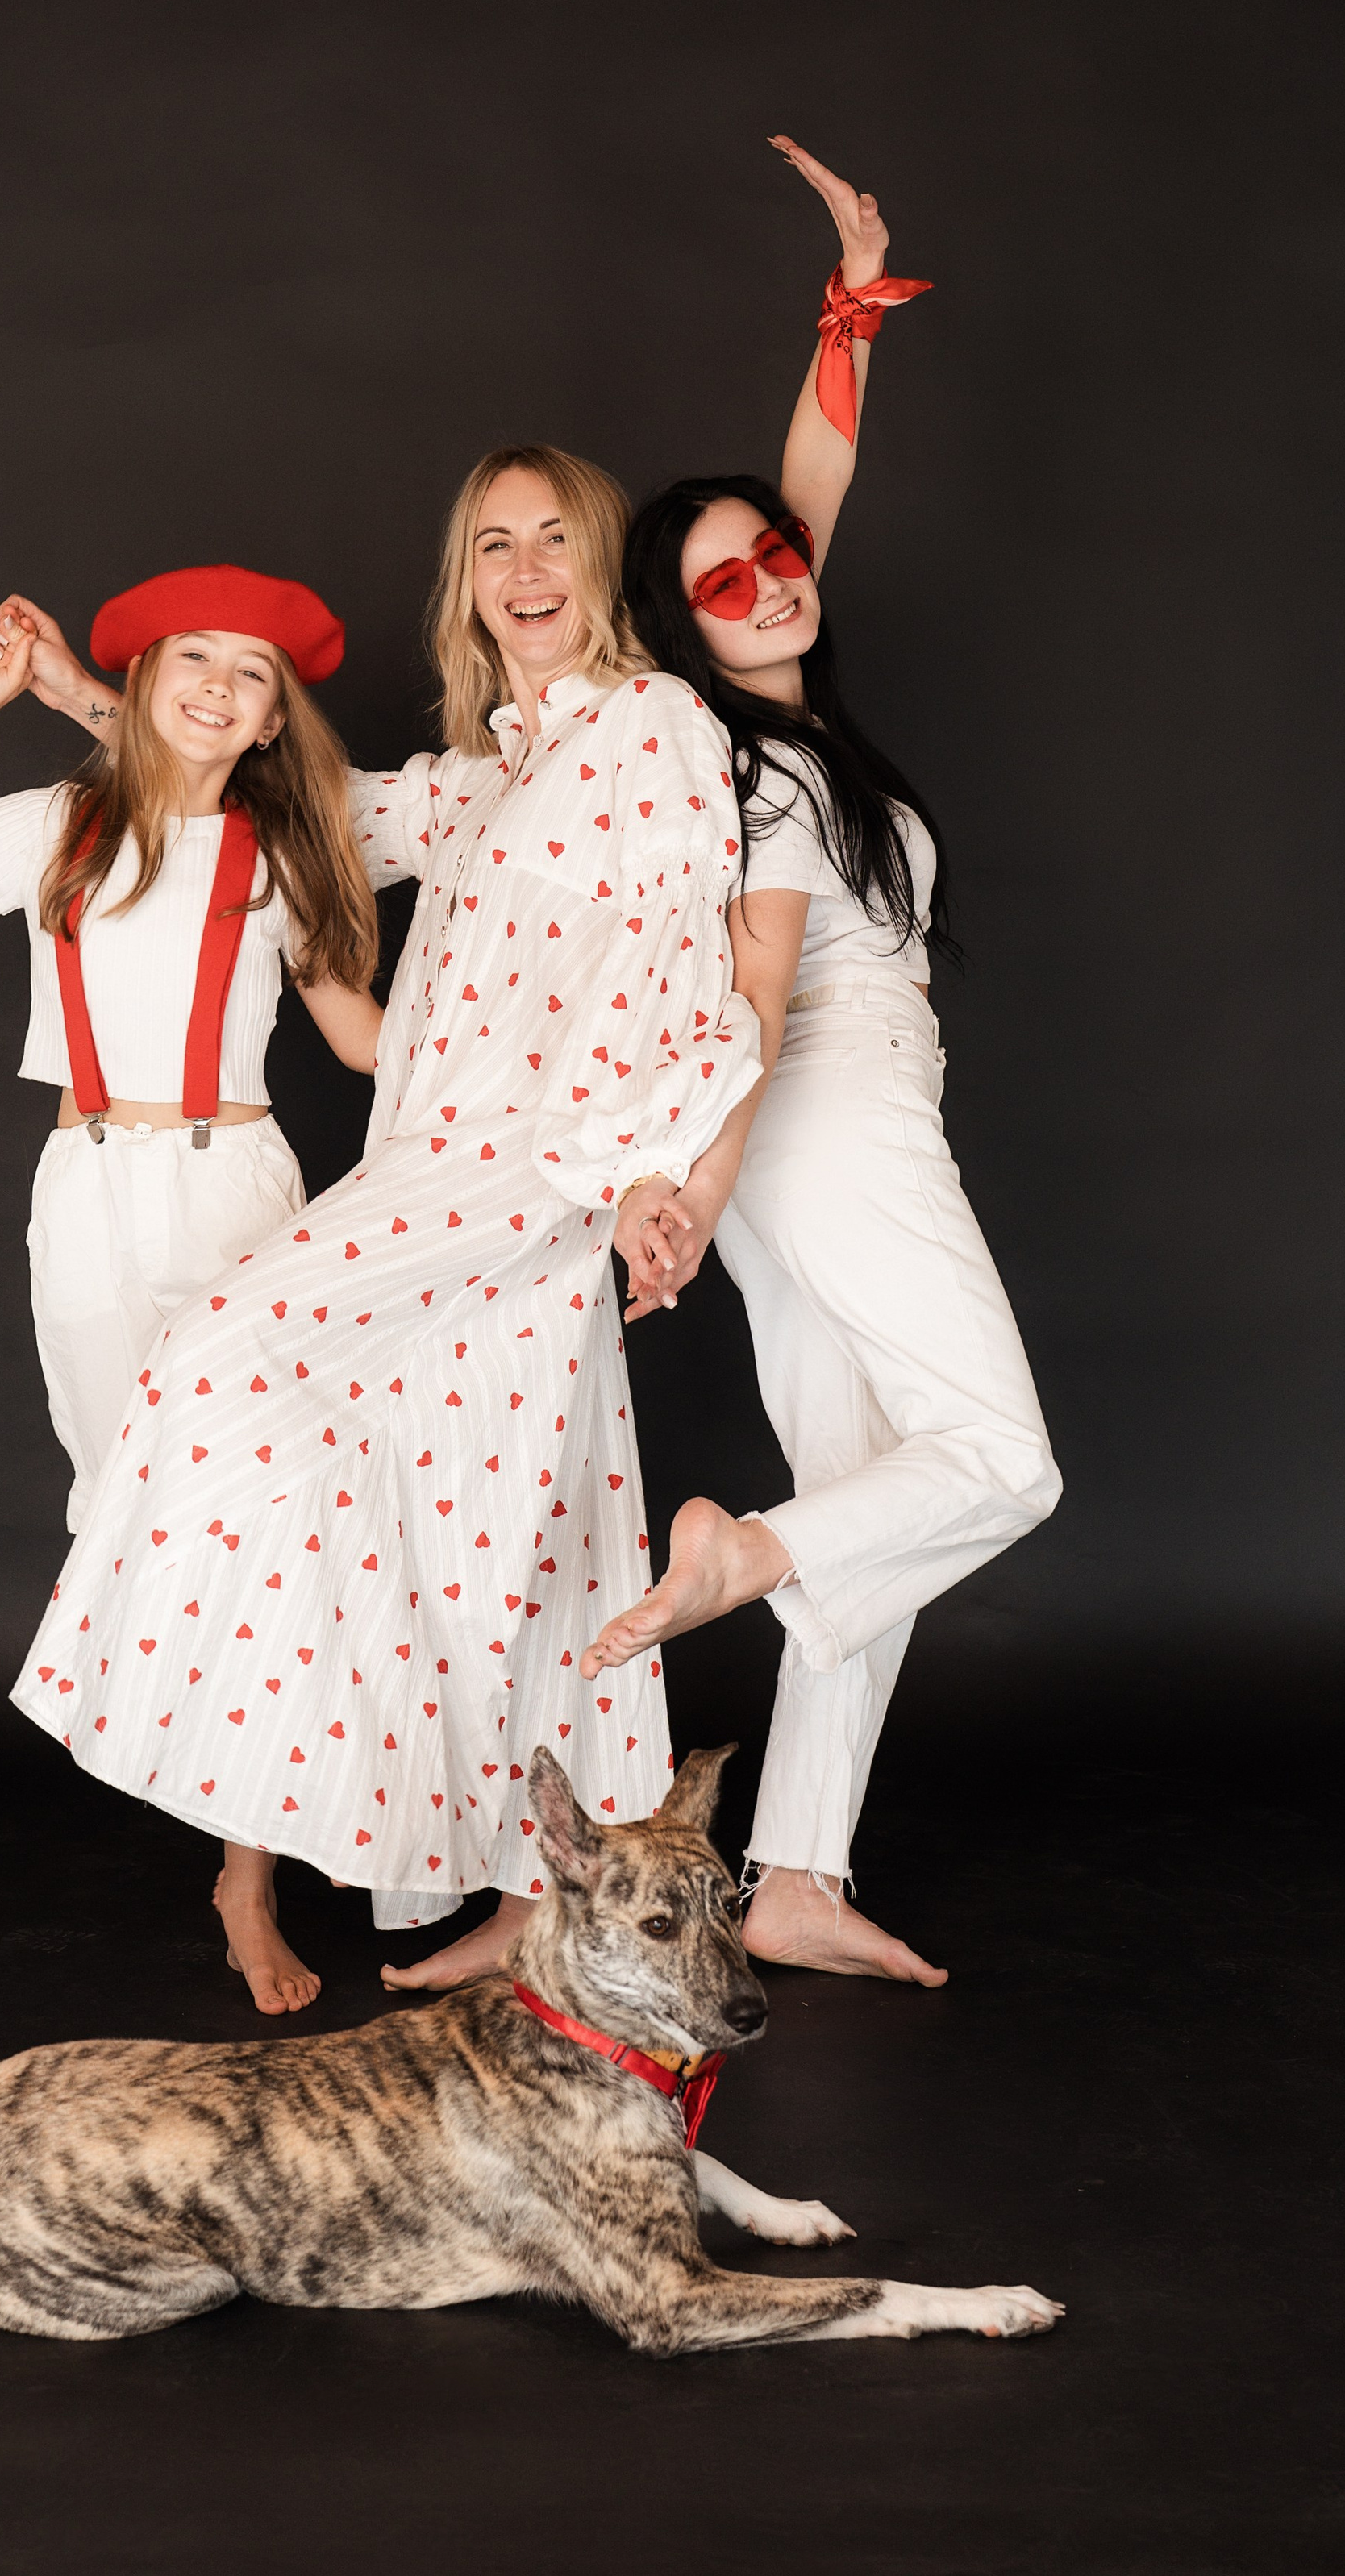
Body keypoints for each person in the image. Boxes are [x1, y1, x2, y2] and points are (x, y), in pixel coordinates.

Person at [0, 452, 761, 2012]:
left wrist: (643, 1173)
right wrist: (87, 694)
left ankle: (408, 1845)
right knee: (485, 1540)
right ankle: (520, 1879)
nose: (525, 566)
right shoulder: (488, 766)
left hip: (519, 1172)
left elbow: (687, 968)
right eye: (495, 543)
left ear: (601, 567)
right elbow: (275, 792)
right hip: (424, 1161)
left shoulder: (656, 729)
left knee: (219, 1362)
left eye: (556, 539)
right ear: (464, 577)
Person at [581, 146, 1061, 1985]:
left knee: (874, 1466)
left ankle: (788, 1871)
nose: (770, 577)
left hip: (793, 1135)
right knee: (994, 1462)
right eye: (724, 579)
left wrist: (842, 312)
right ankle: (746, 1554)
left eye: (775, 560)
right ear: (674, 629)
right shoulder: (726, 761)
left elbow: (802, 486)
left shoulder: (776, 720)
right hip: (828, 1102)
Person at [0, 566, 385, 1556]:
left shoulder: (291, 852)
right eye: (195, 655)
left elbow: (364, 1040)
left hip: (233, 1186)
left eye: (253, 674)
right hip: (87, 1182)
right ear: (148, 677)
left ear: (271, 724)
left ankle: (258, 1704)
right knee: (117, 1478)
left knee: (258, 1472)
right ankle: (143, 1707)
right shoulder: (59, 821)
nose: (217, 681)